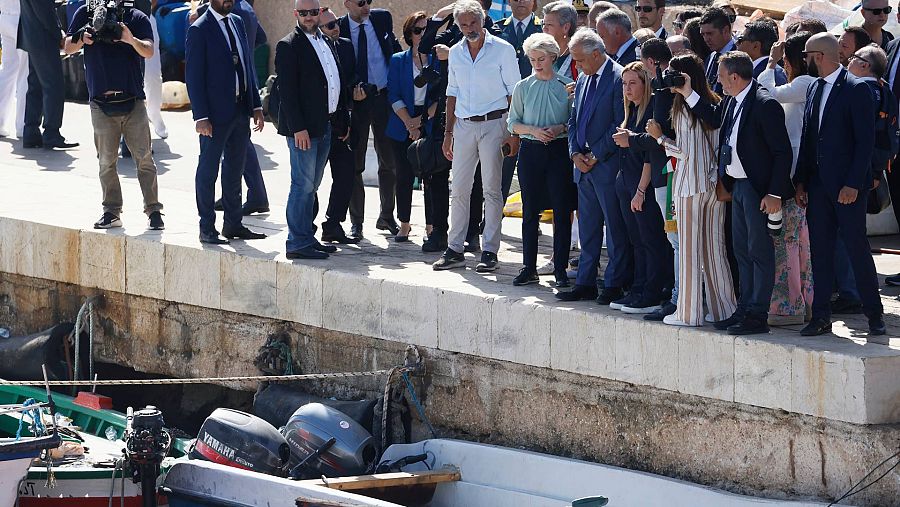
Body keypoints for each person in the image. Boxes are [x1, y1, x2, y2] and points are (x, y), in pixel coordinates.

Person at [687, 51, 793, 335]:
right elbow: (711, 117)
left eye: (721, 77)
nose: (718, 82)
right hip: (738, 186)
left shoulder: (763, 103)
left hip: (758, 190)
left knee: (759, 252)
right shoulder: (733, 101)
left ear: (734, 77)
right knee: (742, 251)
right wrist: (687, 92)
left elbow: (782, 153)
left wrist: (774, 193)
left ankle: (757, 315)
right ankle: (745, 308)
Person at [795, 33, 886, 337]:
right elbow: (809, 138)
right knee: (819, 252)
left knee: (856, 248)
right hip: (818, 187)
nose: (804, 60)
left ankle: (875, 315)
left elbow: (865, 143)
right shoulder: (815, 88)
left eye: (807, 55)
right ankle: (821, 316)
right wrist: (802, 182)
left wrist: (852, 184)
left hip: (847, 189)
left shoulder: (856, 88)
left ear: (819, 56)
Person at [646, 53, 737, 327]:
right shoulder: (715, 102)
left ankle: (688, 313)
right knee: (714, 251)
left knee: (688, 252)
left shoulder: (683, 107)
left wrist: (660, 138)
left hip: (688, 186)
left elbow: (684, 152)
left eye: (674, 74)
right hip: (713, 186)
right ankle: (724, 310)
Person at [432, 0, 519, 272]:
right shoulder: (456, 52)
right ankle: (454, 248)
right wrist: (448, 133)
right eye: (464, 24)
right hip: (464, 126)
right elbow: (451, 92)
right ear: (457, 25)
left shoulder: (503, 50)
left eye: (474, 22)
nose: (469, 28)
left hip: (495, 123)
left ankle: (490, 250)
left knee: (492, 190)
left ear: (483, 20)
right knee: (458, 189)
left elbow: (514, 92)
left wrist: (512, 132)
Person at [65, 0, 165, 231]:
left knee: (145, 160)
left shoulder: (136, 16)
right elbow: (67, 47)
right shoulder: (85, 13)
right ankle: (111, 211)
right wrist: (82, 37)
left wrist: (129, 38)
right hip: (100, 103)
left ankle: (154, 211)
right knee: (106, 162)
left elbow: (149, 51)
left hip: (133, 101)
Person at [556, 29, 629, 304]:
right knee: (588, 229)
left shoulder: (618, 77)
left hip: (607, 165)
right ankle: (585, 282)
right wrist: (575, 152)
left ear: (596, 54)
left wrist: (596, 155)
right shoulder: (585, 77)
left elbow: (620, 122)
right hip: (583, 166)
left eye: (580, 59)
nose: (576, 65)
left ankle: (614, 282)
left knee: (614, 229)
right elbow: (574, 119)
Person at [185, 0, 266, 244]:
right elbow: (193, 76)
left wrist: (256, 105)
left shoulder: (238, 22)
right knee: (208, 171)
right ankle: (207, 228)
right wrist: (201, 116)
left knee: (235, 169)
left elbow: (247, 66)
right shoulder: (199, 29)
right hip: (214, 116)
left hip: (240, 111)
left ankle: (233, 224)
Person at [277, 0, 347, 259]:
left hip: (325, 125)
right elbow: (288, 92)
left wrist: (340, 119)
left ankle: (307, 235)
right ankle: (296, 242)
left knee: (313, 185)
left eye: (313, 12)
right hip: (303, 130)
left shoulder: (325, 41)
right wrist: (298, 129)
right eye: (303, 13)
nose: (308, 17)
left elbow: (333, 80)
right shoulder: (288, 45)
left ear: (320, 13)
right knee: (302, 185)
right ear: (296, 14)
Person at [507, 32, 575, 287]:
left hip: (558, 151)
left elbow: (574, 120)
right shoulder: (523, 86)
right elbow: (513, 122)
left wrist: (559, 128)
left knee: (562, 208)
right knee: (529, 210)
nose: (537, 63)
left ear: (553, 57)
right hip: (531, 151)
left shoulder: (566, 85)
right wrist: (534, 130)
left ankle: (560, 267)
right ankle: (528, 266)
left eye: (541, 58)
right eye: (533, 58)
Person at [757, 32, 816, 326]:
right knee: (795, 241)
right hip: (793, 170)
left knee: (789, 241)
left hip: (791, 173)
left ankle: (789, 306)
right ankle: (802, 303)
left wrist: (770, 63)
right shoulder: (803, 84)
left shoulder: (805, 83)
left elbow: (766, 93)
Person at [611, 61, 674, 313]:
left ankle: (652, 291)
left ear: (644, 84)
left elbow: (650, 156)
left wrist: (640, 190)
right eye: (624, 83)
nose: (627, 88)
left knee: (651, 240)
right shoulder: (631, 112)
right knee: (635, 240)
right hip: (625, 182)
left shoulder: (649, 113)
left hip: (642, 186)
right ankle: (638, 288)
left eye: (633, 83)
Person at [338, 0, 403, 240]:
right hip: (358, 102)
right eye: (360, 2)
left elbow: (393, 51)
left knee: (390, 160)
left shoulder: (382, 18)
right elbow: (338, 67)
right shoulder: (339, 28)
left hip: (385, 98)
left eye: (370, 1)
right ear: (346, 3)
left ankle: (387, 216)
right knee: (355, 164)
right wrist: (352, 88)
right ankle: (357, 222)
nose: (366, 7)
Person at [200, 0, 270, 216]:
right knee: (239, 152)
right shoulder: (246, 8)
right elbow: (261, 38)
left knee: (219, 162)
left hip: (227, 101)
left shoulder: (228, 13)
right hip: (235, 99)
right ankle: (254, 196)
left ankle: (248, 201)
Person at [631, 37, 679, 320]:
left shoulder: (663, 91)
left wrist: (634, 140)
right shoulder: (662, 89)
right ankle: (678, 294)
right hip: (668, 175)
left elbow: (660, 137)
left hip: (671, 175)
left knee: (676, 241)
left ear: (650, 62)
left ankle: (678, 297)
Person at [386, 12, 438, 243]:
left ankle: (431, 226)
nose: (422, 35)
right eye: (417, 30)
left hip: (429, 120)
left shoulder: (438, 59)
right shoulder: (398, 59)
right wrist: (409, 122)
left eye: (426, 30)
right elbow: (393, 93)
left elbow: (442, 94)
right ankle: (404, 223)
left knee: (430, 177)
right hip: (401, 122)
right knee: (404, 175)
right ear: (409, 34)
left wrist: (420, 122)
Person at [318, 7, 361, 245]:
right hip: (317, 126)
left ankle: (333, 224)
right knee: (311, 180)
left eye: (337, 24)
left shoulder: (345, 46)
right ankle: (306, 225)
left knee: (346, 175)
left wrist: (358, 90)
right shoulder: (312, 49)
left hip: (340, 123)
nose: (336, 29)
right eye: (331, 26)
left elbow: (349, 78)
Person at [497, 0, 542, 204]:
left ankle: (534, 213)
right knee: (505, 161)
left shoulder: (542, 29)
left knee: (533, 167)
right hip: (505, 106)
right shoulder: (497, 28)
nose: (521, 2)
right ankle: (494, 214)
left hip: (536, 107)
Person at [18, 0, 77, 149]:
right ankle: (51, 133)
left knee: (35, 85)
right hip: (43, 37)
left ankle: (31, 132)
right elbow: (45, 12)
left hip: (32, 34)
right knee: (54, 86)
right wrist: (59, 35)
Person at [0, 0, 28, 138]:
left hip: (5, 16)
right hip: (21, 18)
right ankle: (23, 126)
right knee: (25, 74)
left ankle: (0, 123)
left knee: (7, 71)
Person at [700, 7, 736, 95]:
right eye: (703, 34)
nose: (705, 39)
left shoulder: (738, 57)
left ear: (725, 30)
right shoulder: (711, 57)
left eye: (710, 33)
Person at [542, 1, 579, 81]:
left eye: (549, 25)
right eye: (544, 24)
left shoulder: (580, 57)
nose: (544, 28)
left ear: (566, 27)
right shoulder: (540, 53)